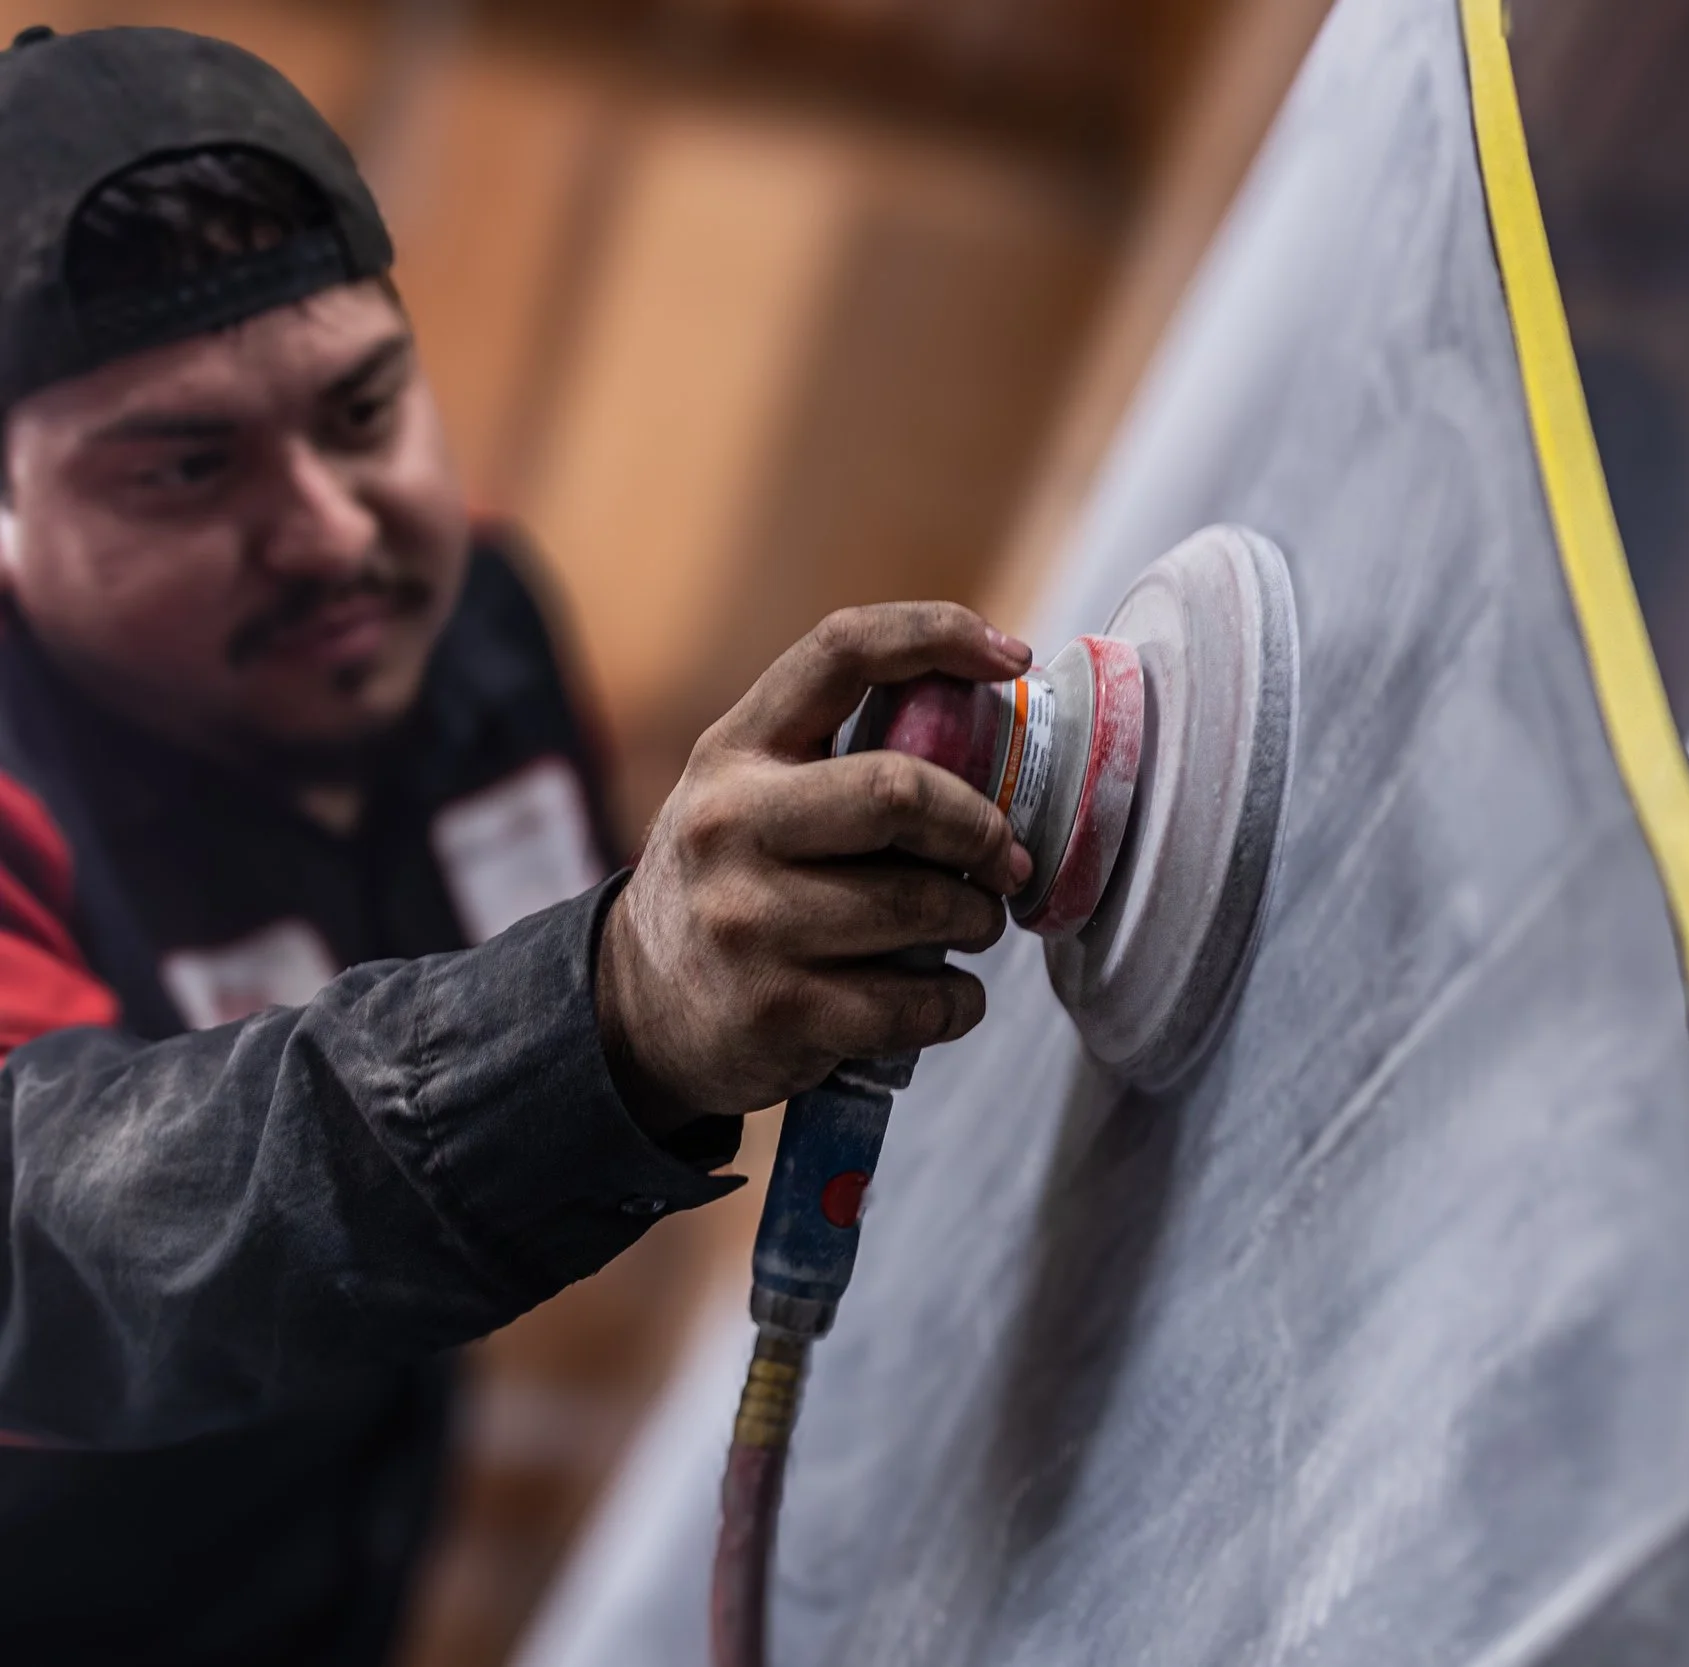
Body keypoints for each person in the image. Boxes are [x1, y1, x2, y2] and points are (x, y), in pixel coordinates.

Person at [0, 23, 1030, 1663]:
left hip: (339, 1552)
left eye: (363, 409)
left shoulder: (476, 639)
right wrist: (606, 1013)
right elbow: (55, 1243)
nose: (334, 531)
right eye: (187, 467)